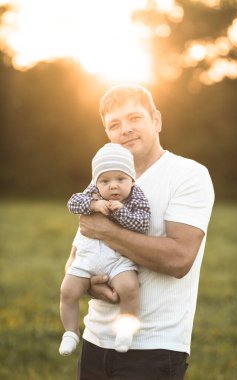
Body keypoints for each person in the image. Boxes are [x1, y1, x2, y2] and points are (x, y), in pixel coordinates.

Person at [65, 84, 215, 380]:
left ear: (156, 120)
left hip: (154, 349)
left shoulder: (188, 175)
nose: (126, 130)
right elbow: (75, 257)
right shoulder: (105, 182)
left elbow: (179, 260)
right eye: (115, 124)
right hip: (94, 340)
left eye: (135, 118)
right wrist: (90, 283)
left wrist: (107, 232)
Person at [59, 143, 151, 355]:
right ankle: (71, 332)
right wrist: (93, 205)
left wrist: (122, 212)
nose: (113, 186)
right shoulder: (93, 192)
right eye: (105, 181)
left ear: (132, 180)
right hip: (88, 256)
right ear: (96, 182)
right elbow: (72, 203)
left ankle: (125, 330)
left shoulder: (136, 197)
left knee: (129, 287)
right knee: (67, 291)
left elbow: (143, 223)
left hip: (117, 258)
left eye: (120, 179)